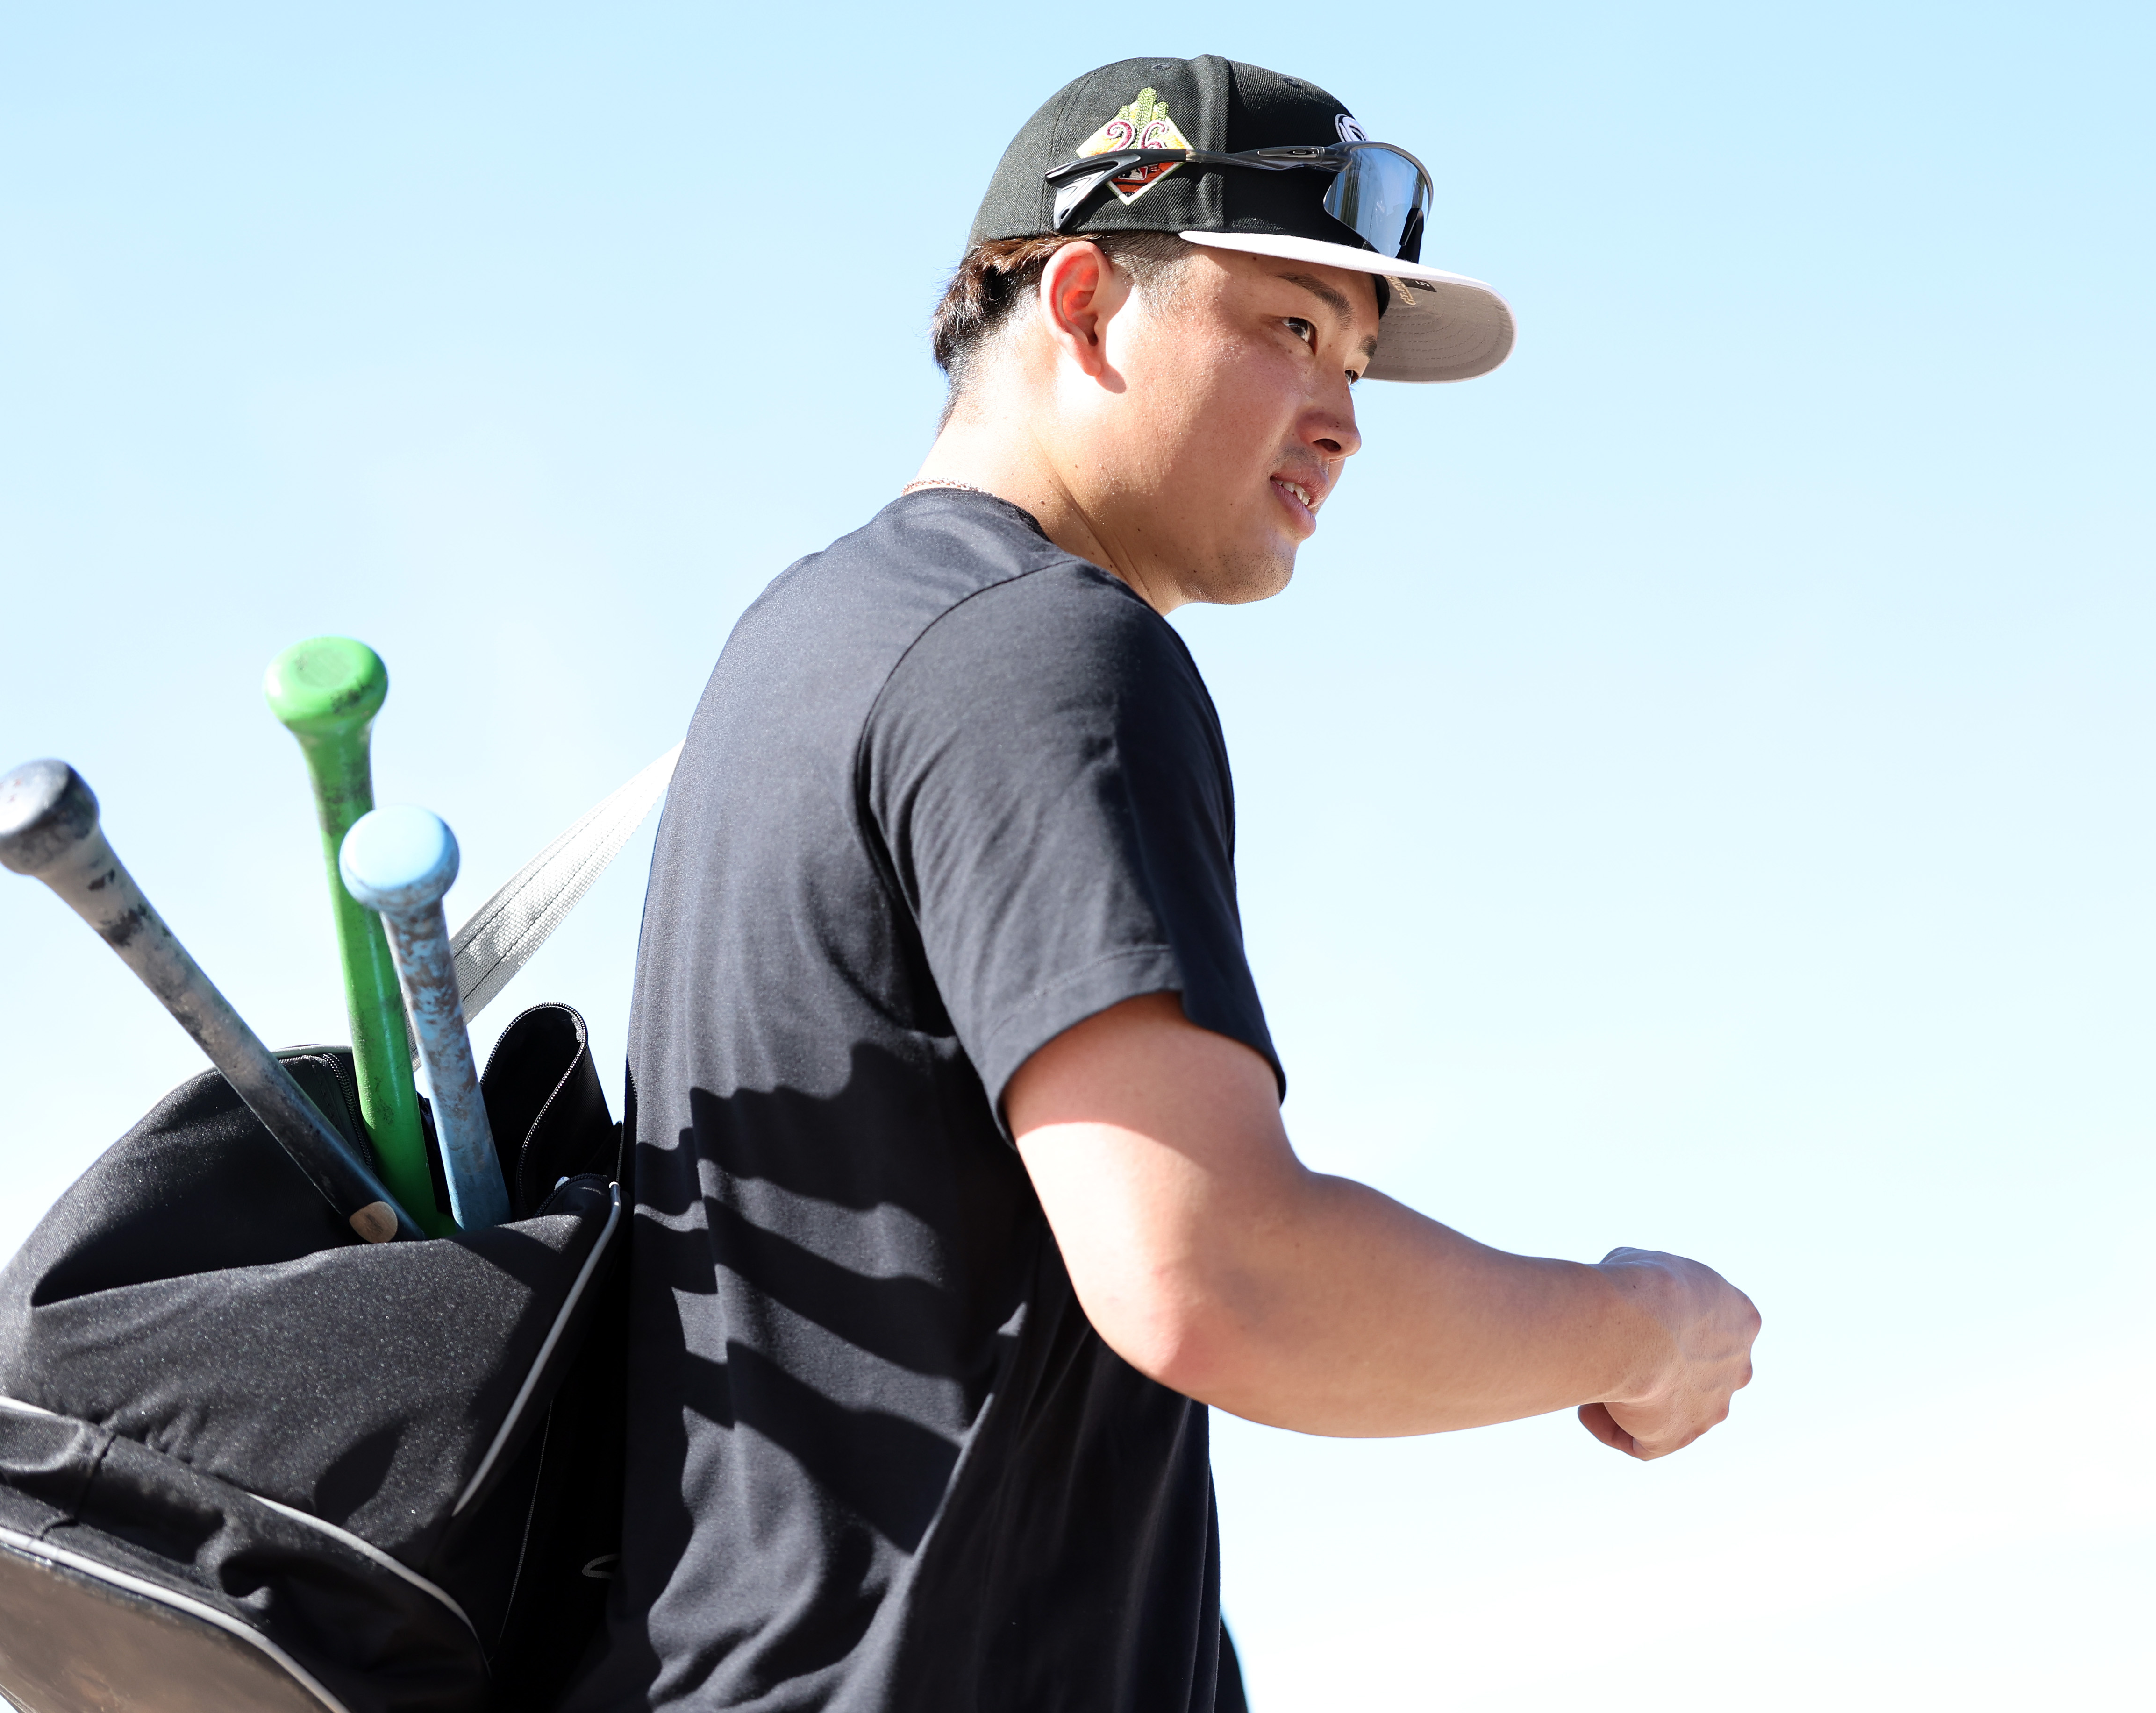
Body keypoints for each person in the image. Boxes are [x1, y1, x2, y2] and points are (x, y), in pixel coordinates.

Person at [562, 54, 1760, 1713]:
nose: (1344, 416)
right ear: (1085, 300)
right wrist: (1635, 1328)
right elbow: (1214, 1273)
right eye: (1290, 328)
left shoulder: (809, 641)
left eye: (1356, 359)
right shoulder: (1044, 652)